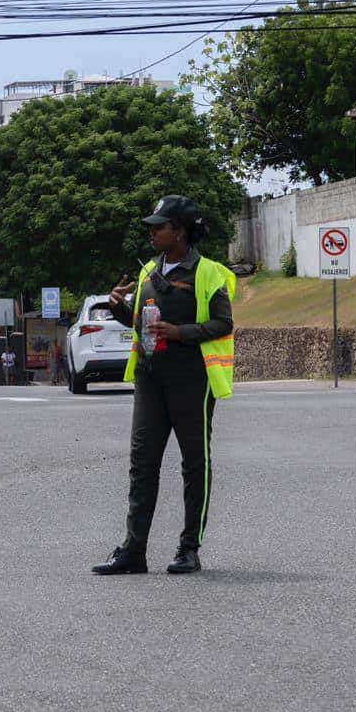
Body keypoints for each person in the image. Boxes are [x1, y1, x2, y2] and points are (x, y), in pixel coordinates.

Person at [93, 195, 236, 577]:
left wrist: (180, 333)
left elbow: (224, 324)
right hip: (151, 378)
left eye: (160, 226)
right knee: (142, 465)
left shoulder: (208, 273)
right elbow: (141, 324)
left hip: (192, 377)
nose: (153, 232)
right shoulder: (146, 274)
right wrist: (119, 306)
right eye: (153, 226)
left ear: (181, 232)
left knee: (194, 464)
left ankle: (189, 549)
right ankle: (133, 551)